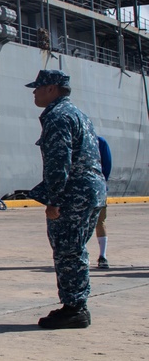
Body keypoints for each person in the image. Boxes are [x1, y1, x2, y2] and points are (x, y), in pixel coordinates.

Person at [26, 69, 107, 329]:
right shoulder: (77, 113)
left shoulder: (58, 116)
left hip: (73, 194)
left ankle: (75, 308)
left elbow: (59, 160)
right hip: (89, 191)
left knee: (68, 251)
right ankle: (74, 304)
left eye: (38, 88)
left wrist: (55, 199)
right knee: (74, 249)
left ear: (52, 88)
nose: (34, 93)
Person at [94, 136, 112, 269]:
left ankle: (103, 256)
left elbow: (107, 165)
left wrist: (99, 183)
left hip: (97, 189)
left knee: (99, 221)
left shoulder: (100, 142)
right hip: (77, 190)